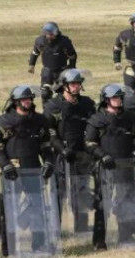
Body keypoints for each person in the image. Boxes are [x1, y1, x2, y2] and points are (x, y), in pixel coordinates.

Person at [0, 85, 55, 257]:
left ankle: (38, 245)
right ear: (16, 102)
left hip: (33, 169)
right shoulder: (4, 121)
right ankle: (8, 249)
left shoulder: (39, 121)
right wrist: (5, 165)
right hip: (12, 172)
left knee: (38, 208)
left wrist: (48, 162)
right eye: (24, 99)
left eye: (30, 99)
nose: (28, 102)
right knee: (9, 210)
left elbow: (46, 146)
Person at [85, 84, 135, 249]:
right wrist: (102, 155)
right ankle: (99, 240)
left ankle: (126, 236)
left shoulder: (130, 118)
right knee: (102, 204)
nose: (118, 100)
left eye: (120, 98)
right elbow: (89, 144)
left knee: (126, 201)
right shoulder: (97, 120)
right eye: (114, 98)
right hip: (105, 168)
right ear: (106, 100)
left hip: (127, 167)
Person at [43, 68, 96, 233]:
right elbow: (49, 133)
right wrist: (62, 149)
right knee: (59, 193)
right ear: (64, 85)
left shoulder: (87, 104)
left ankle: (81, 229)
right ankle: (55, 231)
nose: (76, 87)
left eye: (78, 84)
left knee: (81, 192)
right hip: (61, 156)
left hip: (82, 156)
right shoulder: (53, 106)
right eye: (73, 84)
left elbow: (93, 128)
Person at [27, 22, 78, 102]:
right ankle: (47, 112)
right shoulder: (40, 41)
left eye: (51, 34)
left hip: (62, 70)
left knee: (66, 94)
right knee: (45, 94)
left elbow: (72, 55)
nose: (49, 36)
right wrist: (31, 65)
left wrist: (72, 67)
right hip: (47, 71)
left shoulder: (64, 41)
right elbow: (35, 53)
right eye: (47, 34)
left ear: (56, 32)